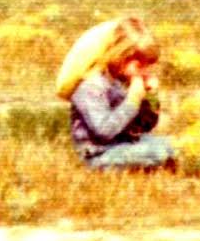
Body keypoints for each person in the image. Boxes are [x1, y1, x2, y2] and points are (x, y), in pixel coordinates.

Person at [55, 16, 176, 170]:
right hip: (99, 154)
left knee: (174, 145)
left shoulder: (120, 81)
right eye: (140, 65)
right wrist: (133, 100)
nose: (144, 72)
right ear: (121, 55)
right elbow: (105, 131)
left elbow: (143, 127)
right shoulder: (91, 86)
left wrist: (150, 98)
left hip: (122, 144)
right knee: (159, 153)